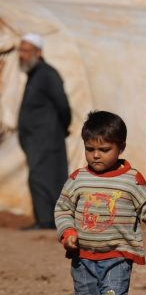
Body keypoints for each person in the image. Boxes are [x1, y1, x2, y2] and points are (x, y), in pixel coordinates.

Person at [54, 111, 146, 295]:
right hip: (82, 258)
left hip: (118, 257)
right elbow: (63, 209)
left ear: (121, 147)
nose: (96, 155)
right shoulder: (78, 179)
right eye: (89, 149)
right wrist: (67, 232)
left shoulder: (132, 180)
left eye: (104, 150)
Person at [18, 32, 71, 230]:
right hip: (38, 138)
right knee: (41, 177)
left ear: (38, 52)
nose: (21, 55)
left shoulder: (47, 74)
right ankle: (45, 219)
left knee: (43, 178)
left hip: (47, 137)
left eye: (26, 50)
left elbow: (63, 105)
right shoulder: (35, 75)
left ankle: (47, 221)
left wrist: (61, 128)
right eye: (20, 50)